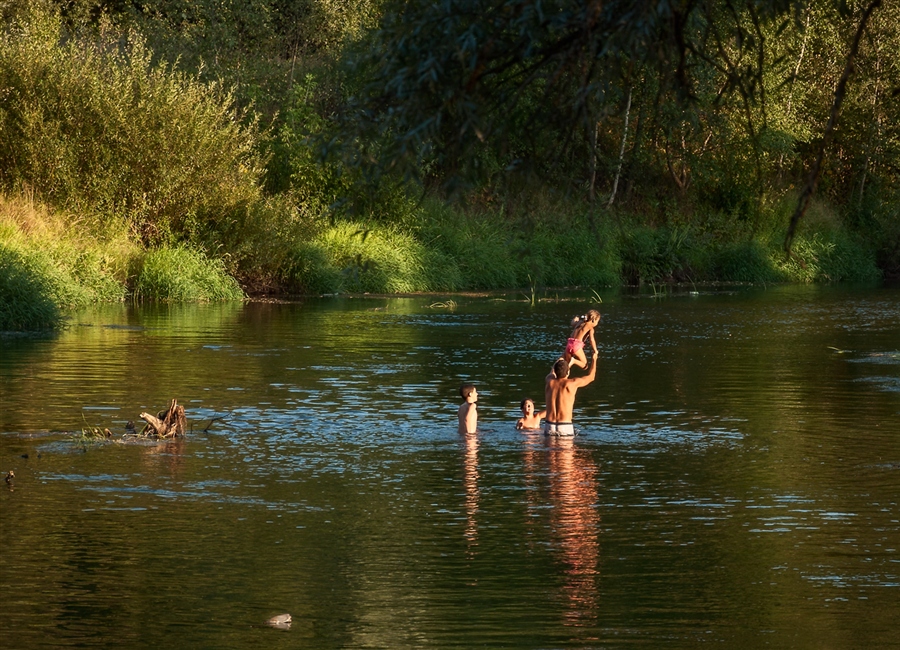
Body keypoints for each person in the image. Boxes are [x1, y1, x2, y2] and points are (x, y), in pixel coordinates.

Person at [544, 334, 598, 436]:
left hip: (549, 425)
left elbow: (553, 369)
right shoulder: (572, 383)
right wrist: (594, 359)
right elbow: (591, 377)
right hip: (564, 425)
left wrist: (563, 355)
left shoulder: (549, 380)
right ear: (568, 372)